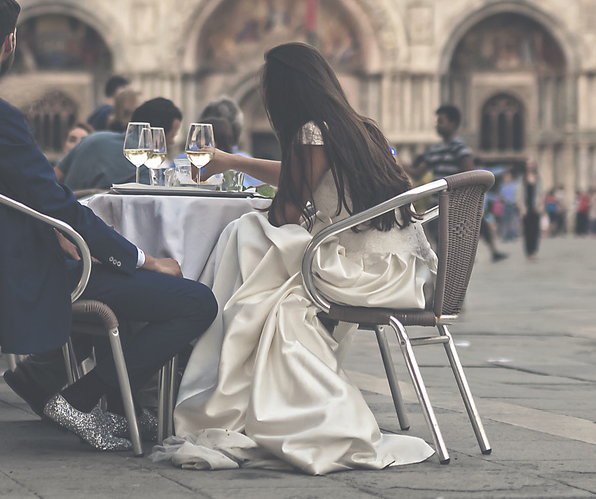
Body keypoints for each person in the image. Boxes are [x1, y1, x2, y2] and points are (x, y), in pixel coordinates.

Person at [0, 0, 216, 451]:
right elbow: (57, 204)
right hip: (10, 278)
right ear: (10, 42)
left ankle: (111, 402)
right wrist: (142, 258)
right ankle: (80, 398)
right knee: (195, 301)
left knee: (122, 283)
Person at [155, 42, 438, 474]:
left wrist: (256, 199)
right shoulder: (354, 126)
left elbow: (288, 211)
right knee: (259, 253)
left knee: (250, 246)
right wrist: (232, 161)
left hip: (363, 270)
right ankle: (235, 367)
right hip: (396, 268)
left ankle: (214, 361)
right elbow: (301, 175)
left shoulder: (311, 129)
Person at [412, 105, 506, 261]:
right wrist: (397, 162)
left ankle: (450, 272)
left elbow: (471, 177)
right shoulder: (435, 150)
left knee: (449, 248)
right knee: (440, 245)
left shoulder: (460, 149)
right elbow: (417, 173)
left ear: (452, 123)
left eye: (441, 121)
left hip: (455, 207)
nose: (437, 125)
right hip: (437, 207)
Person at [57, 96, 182, 193]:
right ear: (157, 134)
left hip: (62, 220)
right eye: (171, 136)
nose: (172, 142)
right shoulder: (149, 169)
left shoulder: (93, 139)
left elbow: (55, 177)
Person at [522, 158, 541, 261]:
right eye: (528, 164)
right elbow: (520, 193)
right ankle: (528, 252)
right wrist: (522, 207)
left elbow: (541, 191)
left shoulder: (538, 178)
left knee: (535, 230)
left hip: (535, 207)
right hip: (526, 207)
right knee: (527, 231)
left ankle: (534, 251)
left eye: (531, 164)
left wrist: (541, 205)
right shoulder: (523, 178)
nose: (529, 166)